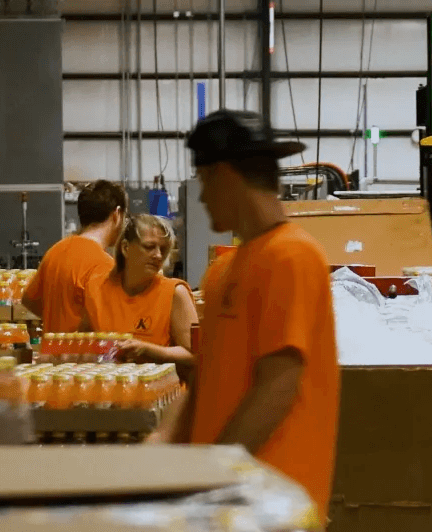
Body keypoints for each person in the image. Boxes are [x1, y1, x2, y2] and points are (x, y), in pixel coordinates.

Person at [164, 110, 339, 513]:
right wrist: (164, 447)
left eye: (205, 181)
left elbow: (278, 385)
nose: (203, 198)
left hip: (270, 500)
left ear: (225, 175)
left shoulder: (291, 256)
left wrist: (215, 475)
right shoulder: (226, 269)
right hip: (226, 498)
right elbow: (207, 381)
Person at [84, 214, 196, 369]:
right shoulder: (96, 288)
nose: (158, 255)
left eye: (163, 249)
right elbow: (82, 345)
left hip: (160, 390)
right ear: (125, 248)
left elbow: (193, 355)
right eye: (149, 247)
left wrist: (149, 351)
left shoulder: (175, 293)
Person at [23, 181, 126, 333]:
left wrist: (60, 322)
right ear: (117, 215)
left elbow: (29, 300)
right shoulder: (103, 264)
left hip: (52, 353)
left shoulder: (56, 251)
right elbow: (103, 324)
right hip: (83, 355)